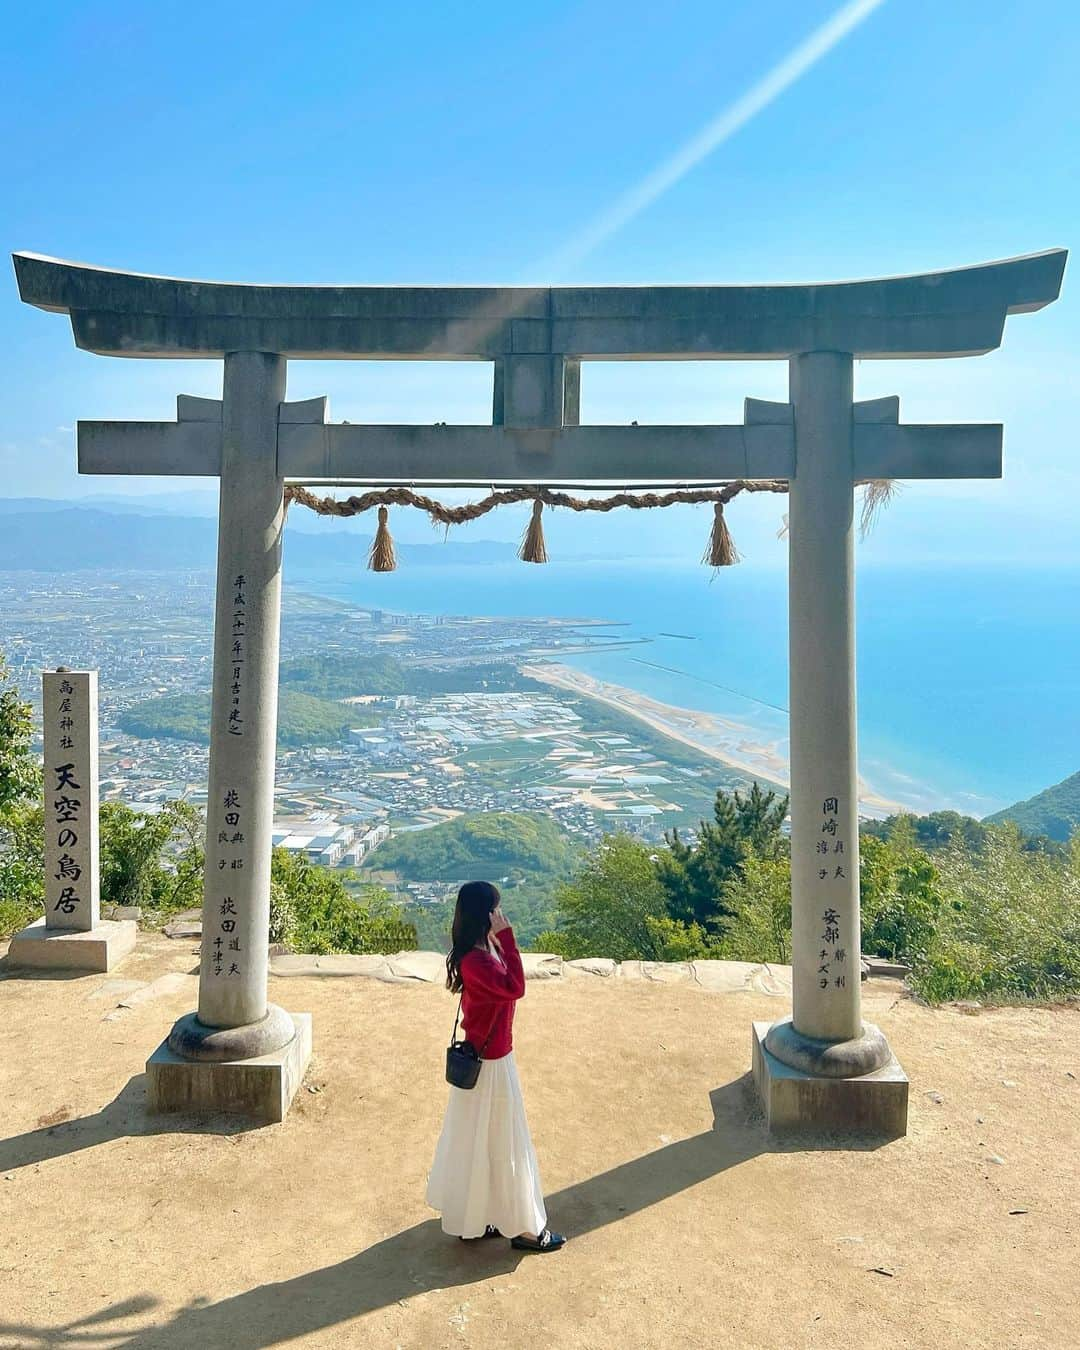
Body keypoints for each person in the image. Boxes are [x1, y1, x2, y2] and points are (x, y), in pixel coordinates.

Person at [426, 880, 566, 1253]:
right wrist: (509, 937)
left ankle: (474, 1217)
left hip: (484, 1059)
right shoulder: (478, 960)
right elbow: (516, 986)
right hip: (492, 1063)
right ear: (484, 914)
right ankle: (523, 1230)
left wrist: (498, 939)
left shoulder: (477, 951)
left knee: (477, 1141)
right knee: (506, 1142)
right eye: (496, 909)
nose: (500, 915)